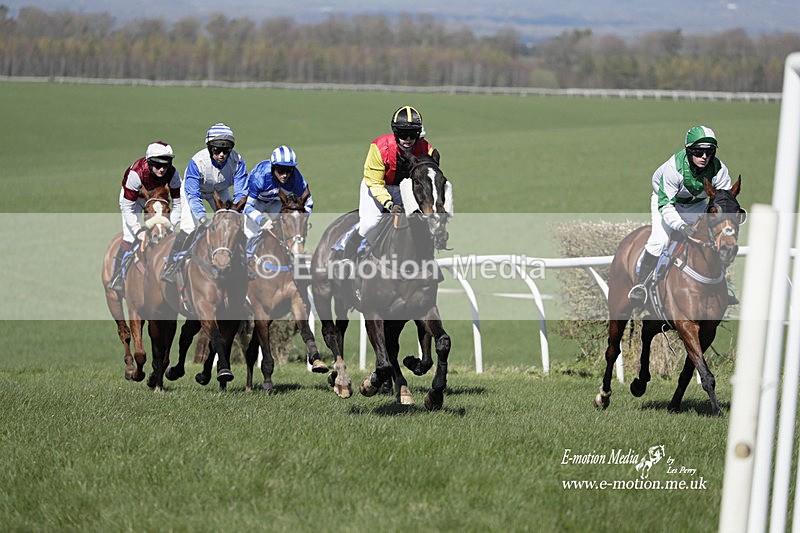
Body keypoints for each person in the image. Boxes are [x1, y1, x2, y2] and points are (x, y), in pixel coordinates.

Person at [628, 125, 733, 305]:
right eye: (699, 152)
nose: (704, 157)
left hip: (697, 204)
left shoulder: (719, 169)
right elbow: (666, 205)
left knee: (713, 240)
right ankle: (641, 286)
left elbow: (724, 200)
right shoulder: (673, 168)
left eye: (710, 152)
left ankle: (720, 287)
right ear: (689, 150)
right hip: (667, 203)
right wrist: (681, 226)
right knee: (658, 242)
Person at [332, 105, 435, 262]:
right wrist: (388, 203)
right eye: (402, 134)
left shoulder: (426, 149)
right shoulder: (380, 147)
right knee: (371, 222)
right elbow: (374, 182)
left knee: (421, 223)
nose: (407, 139)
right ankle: (346, 254)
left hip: (405, 189)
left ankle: (425, 261)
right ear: (395, 132)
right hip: (377, 186)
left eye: (412, 134)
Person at [161, 123, 248, 283]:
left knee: (232, 226)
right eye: (217, 150)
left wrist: (234, 213)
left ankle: (244, 264)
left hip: (219, 190)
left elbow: (241, 192)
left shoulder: (238, 161)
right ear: (209, 148)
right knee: (189, 227)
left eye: (226, 151)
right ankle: (171, 265)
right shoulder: (197, 162)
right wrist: (202, 218)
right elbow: (193, 196)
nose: (221, 155)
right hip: (194, 192)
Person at [107, 141, 181, 291]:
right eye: (158, 165)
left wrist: (171, 224)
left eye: (166, 165)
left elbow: (179, 204)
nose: (162, 169)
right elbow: (128, 207)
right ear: (149, 162)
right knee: (130, 237)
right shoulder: (136, 173)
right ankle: (117, 276)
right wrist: (137, 230)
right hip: (133, 201)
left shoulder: (173, 174)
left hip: (157, 201)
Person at [243, 145, 313, 241]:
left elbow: (308, 201)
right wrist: (261, 220)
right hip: (257, 202)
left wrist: (302, 219)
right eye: (280, 170)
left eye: (289, 170)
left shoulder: (296, 178)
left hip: (276, 202)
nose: (284, 175)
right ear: (273, 167)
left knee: (289, 230)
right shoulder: (259, 177)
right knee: (250, 234)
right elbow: (247, 207)